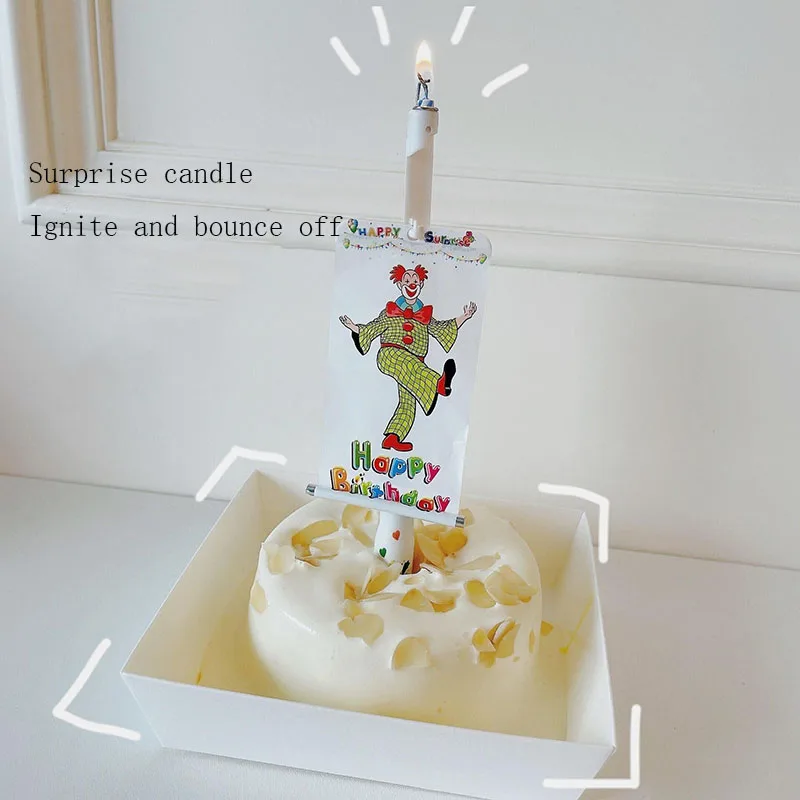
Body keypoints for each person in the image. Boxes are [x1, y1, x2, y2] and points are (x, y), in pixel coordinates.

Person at [340, 263, 477, 452]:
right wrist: (354, 327)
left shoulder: (425, 316)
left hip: (415, 366)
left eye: (415, 281)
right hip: (391, 354)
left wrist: (465, 316)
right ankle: (438, 384)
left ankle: (392, 437)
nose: (411, 284)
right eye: (407, 281)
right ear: (400, 285)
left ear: (421, 285)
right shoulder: (390, 313)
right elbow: (373, 328)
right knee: (407, 363)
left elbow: (443, 329)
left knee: (408, 401)